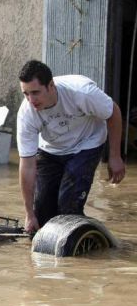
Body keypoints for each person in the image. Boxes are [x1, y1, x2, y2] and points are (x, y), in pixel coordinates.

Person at [16, 60, 126, 233]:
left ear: (51, 86)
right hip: (50, 149)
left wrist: (115, 156)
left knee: (68, 205)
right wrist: (29, 214)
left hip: (87, 144)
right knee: (42, 216)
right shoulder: (26, 113)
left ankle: (89, 241)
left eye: (35, 92)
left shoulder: (81, 93)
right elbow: (27, 165)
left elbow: (114, 113)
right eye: (26, 94)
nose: (31, 100)